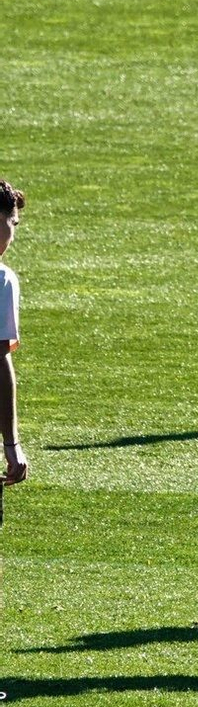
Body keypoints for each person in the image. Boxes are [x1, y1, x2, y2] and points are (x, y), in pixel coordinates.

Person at [1, 179, 28, 530]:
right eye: (13, 223)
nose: (13, 234)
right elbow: (0, 359)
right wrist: (12, 443)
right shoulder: (2, 280)